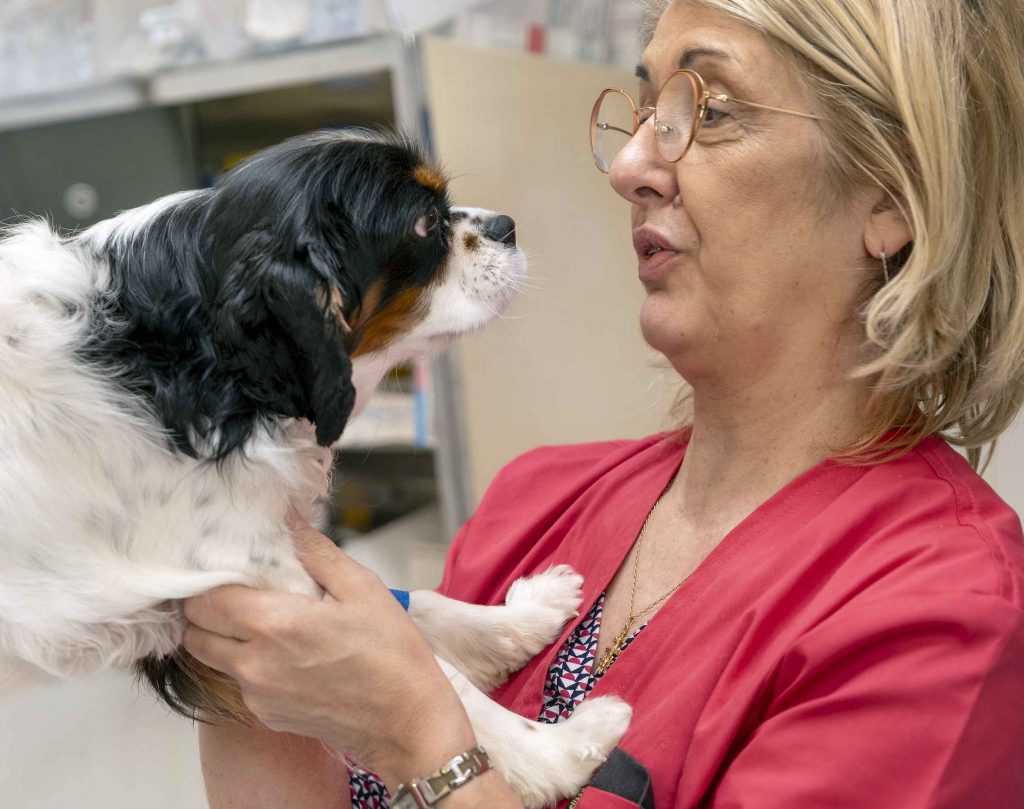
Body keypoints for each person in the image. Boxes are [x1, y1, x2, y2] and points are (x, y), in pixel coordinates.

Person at [181, 0, 1024, 806]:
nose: (629, 168)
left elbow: (411, 739)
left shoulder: (940, 612)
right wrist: (238, 631)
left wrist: (419, 740)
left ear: (892, 195)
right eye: (649, 107)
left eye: (714, 111)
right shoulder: (534, 504)